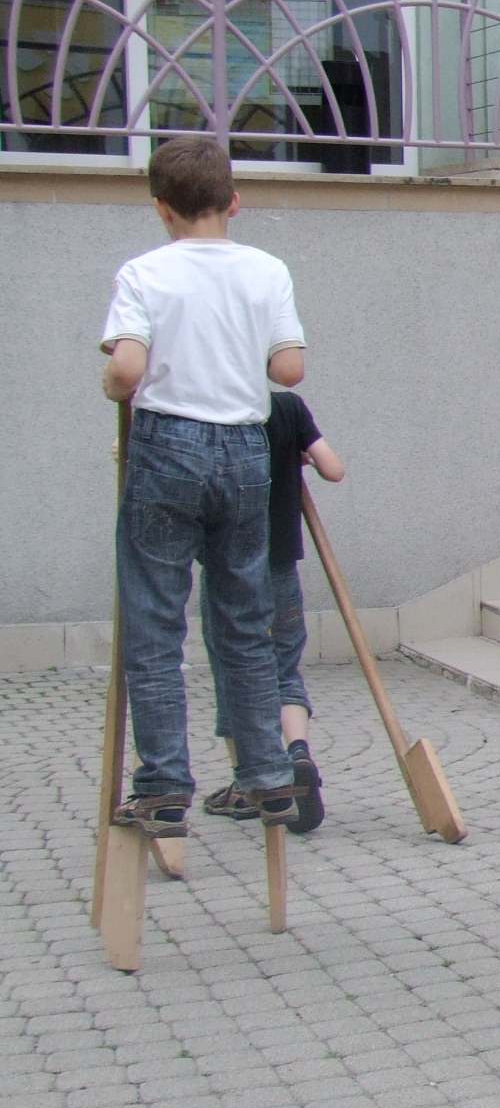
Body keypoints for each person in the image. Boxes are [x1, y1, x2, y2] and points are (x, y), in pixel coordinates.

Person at [97, 135, 310, 844]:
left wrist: (111, 383)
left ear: (162, 208)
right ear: (234, 201)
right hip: (245, 450)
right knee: (244, 620)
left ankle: (163, 786)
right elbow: (288, 370)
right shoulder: (267, 269)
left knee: (155, 621)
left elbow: (128, 370)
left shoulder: (144, 272)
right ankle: (268, 775)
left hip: (169, 446)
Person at [201, 393, 345, 834]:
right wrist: (300, 454)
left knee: (233, 670)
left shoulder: (211, 407)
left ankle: (247, 786)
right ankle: (298, 751)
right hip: (281, 566)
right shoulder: (288, 408)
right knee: (284, 667)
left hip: (229, 569)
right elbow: (334, 469)